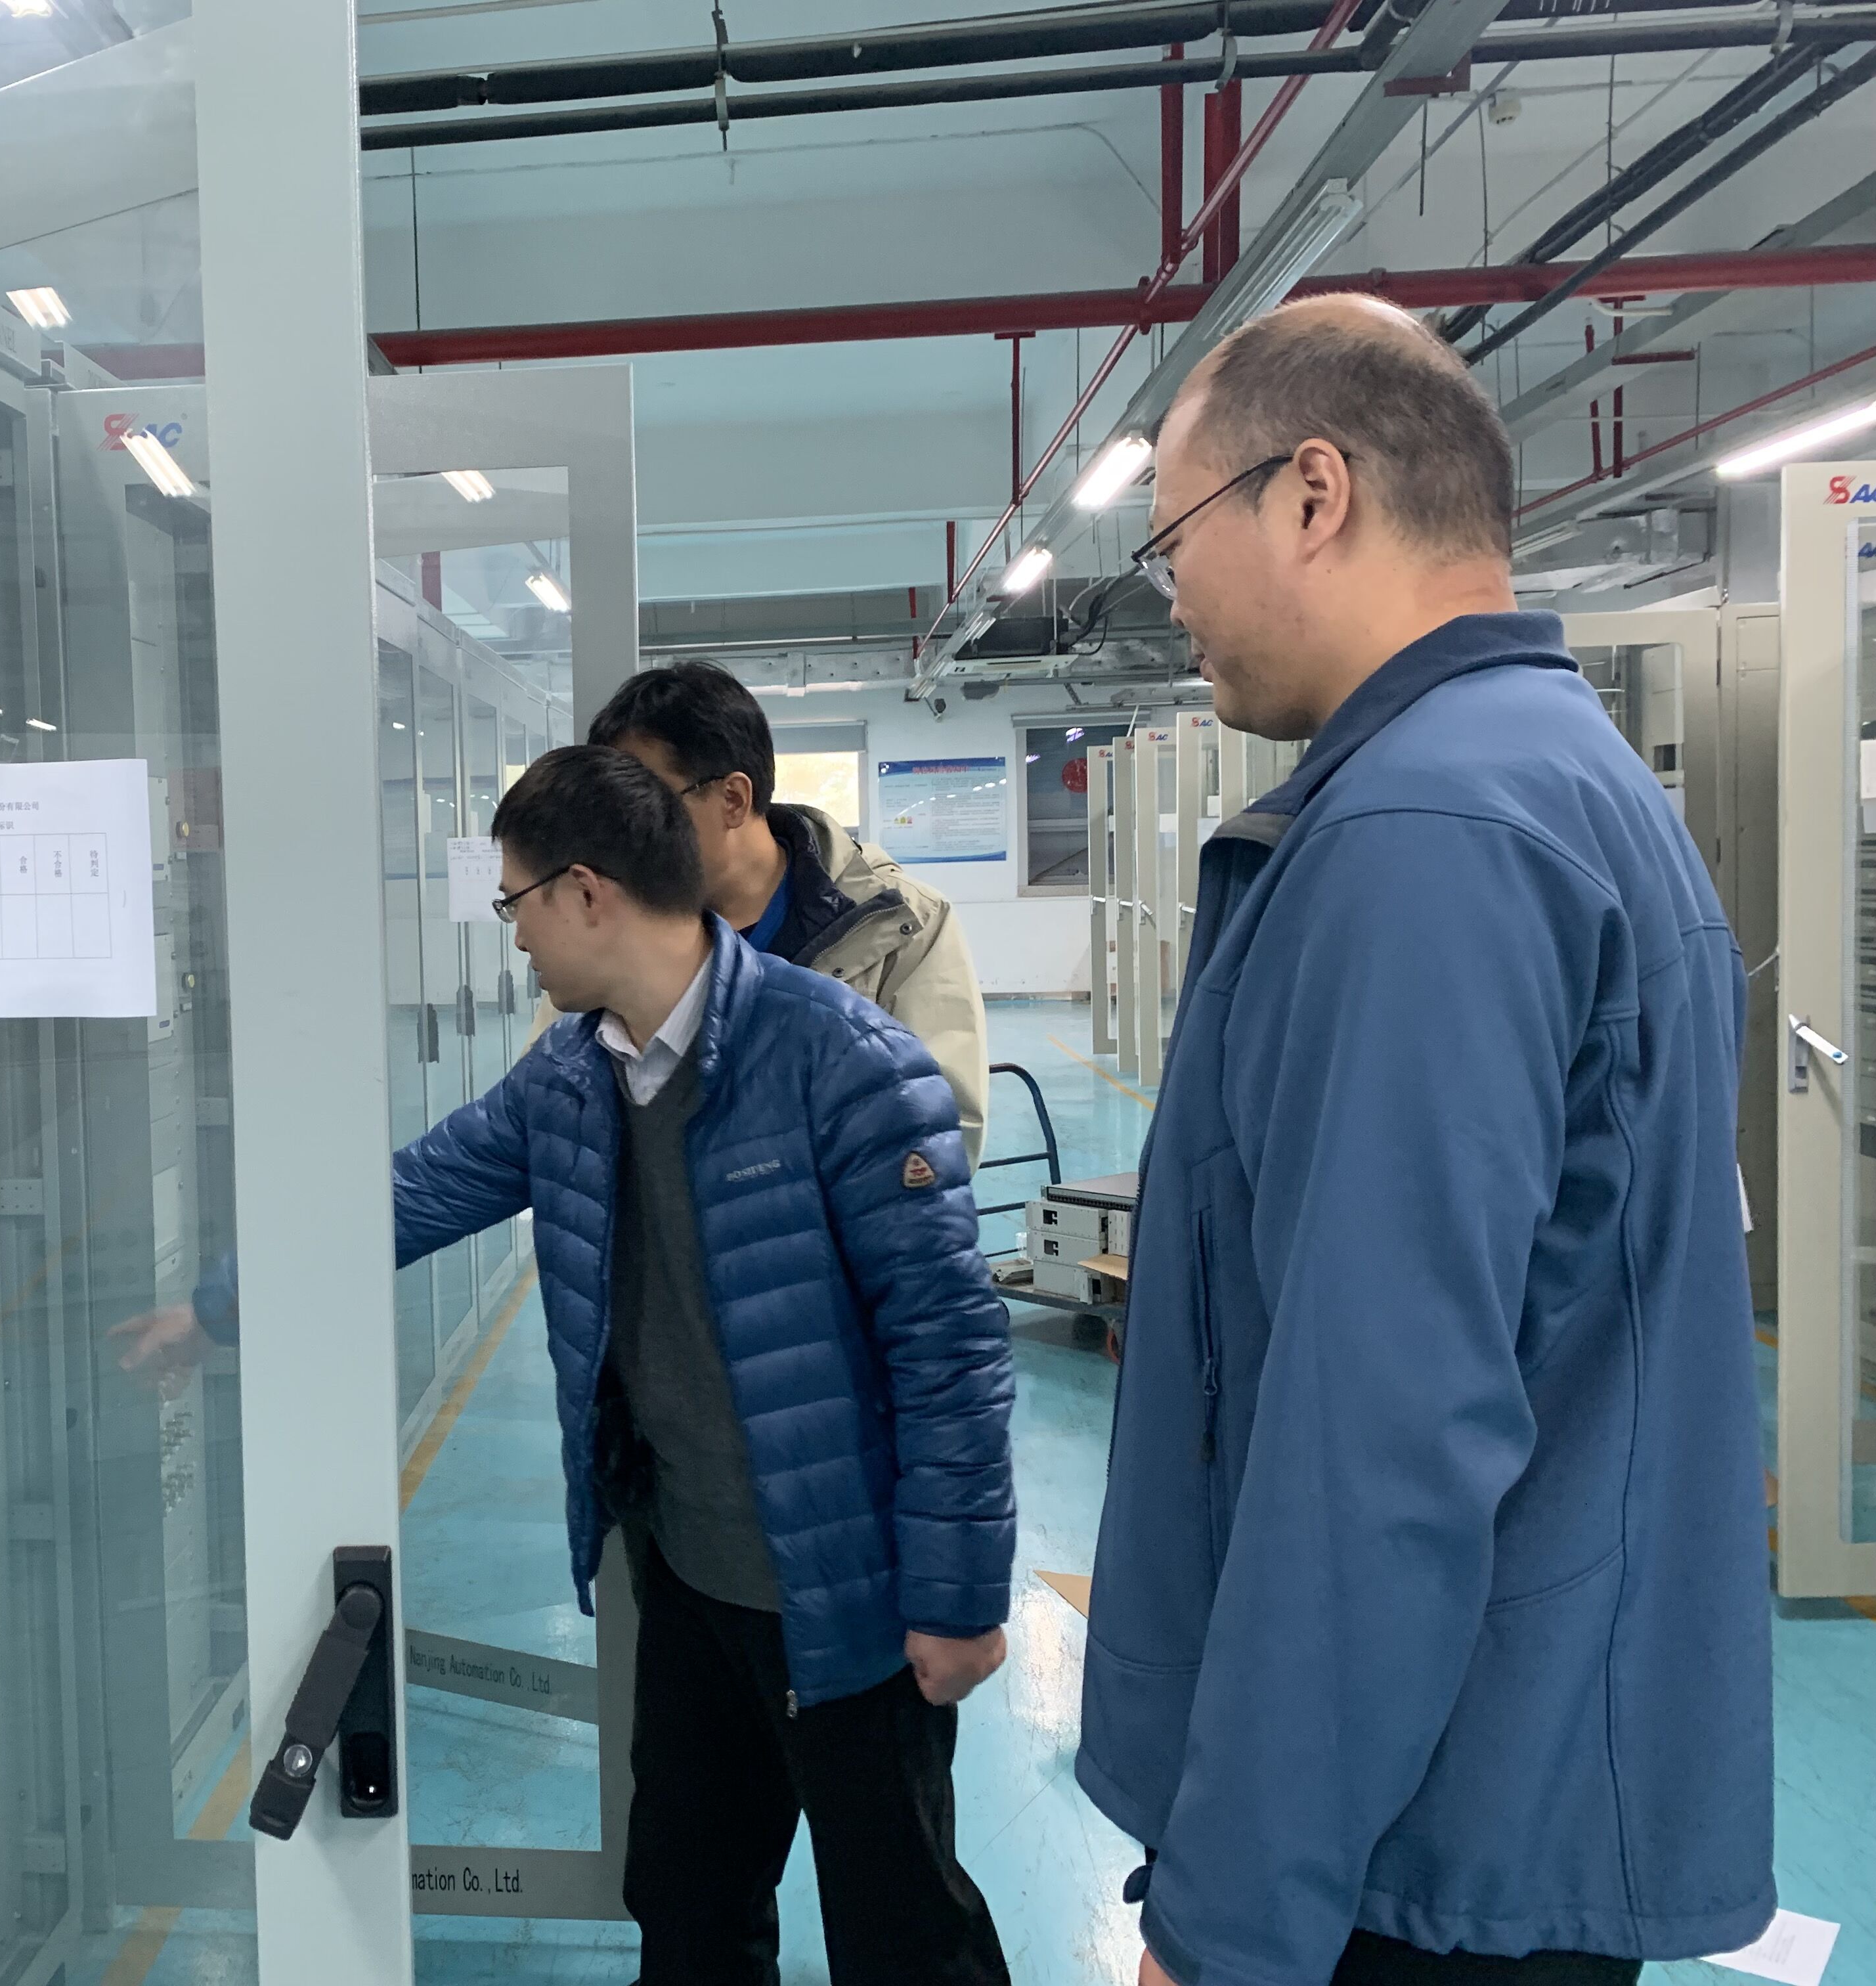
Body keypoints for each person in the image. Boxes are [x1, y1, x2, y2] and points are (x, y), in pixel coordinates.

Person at [1078, 294, 1773, 1986]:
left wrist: (1234, 1918)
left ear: (1313, 495)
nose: (1173, 599)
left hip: (1423, 1850)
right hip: (1516, 1776)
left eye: (1174, 537)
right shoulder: (1558, 778)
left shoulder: (1426, 833)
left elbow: (1374, 1441)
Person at [407, 743, 1015, 1986]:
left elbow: (948, 1345)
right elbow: (423, 1185)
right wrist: (223, 1295)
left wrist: (960, 1597)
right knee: (687, 1904)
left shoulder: (842, 1059)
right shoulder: (572, 1075)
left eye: (515, 901)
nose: (512, 935)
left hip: (846, 1592)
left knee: (902, 1929)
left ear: (585, 893)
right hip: (687, 1575)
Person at [562, 658, 992, 1164]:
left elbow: (943, 1136)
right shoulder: (613, 924)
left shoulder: (902, 923)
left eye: (641, 809)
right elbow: (548, 1108)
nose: (622, 840)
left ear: (732, 799)